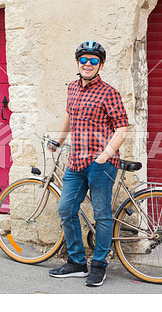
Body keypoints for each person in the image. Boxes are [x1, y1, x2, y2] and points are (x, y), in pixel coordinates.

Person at [48, 41, 129, 286]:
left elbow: (122, 128)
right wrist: (58, 142)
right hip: (76, 162)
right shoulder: (72, 88)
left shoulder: (109, 92)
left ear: (100, 65)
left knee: (102, 215)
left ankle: (99, 265)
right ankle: (76, 262)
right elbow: (69, 116)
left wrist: (105, 155)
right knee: (66, 209)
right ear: (78, 63)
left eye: (94, 61)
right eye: (84, 60)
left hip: (100, 163)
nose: (88, 64)